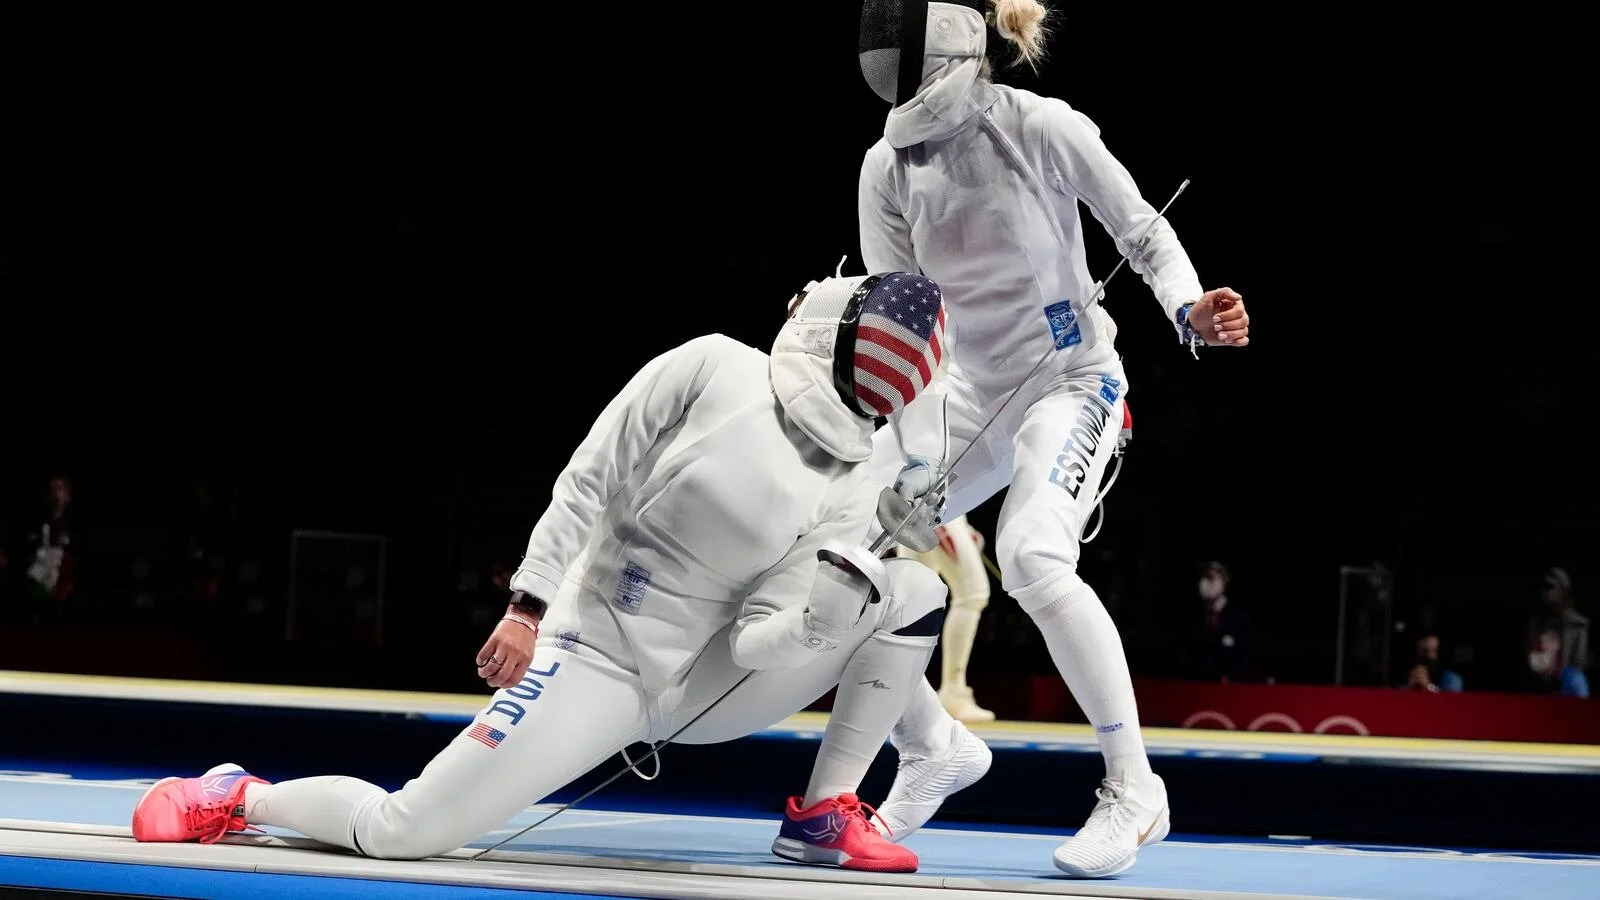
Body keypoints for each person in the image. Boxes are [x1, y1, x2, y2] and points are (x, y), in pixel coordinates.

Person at [131, 271, 955, 873]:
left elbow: (750, 646)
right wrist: (527, 609)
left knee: (915, 589)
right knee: (403, 830)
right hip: (595, 649)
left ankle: (818, 817)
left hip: (698, 686)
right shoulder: (713, 368)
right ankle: (239, 796)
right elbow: (590, 479)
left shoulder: (857, 476)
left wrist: (824, 618)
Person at [848, 0, 1251, 878]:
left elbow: (1141, 230)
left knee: (1030, 554)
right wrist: (914, 456)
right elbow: (901, 324)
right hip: (967, 396)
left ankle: (1135, 790)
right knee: (839, 554)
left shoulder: (1041, 126)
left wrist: (1189, 311)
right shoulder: (887, 166)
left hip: (1074, 383)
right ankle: (931, 748)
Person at [896, 515, 995, 723]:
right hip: (934, 510)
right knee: (972, 594)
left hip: (929, 509)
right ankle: (953, 693)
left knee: (915, 599)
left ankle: (898, 692)